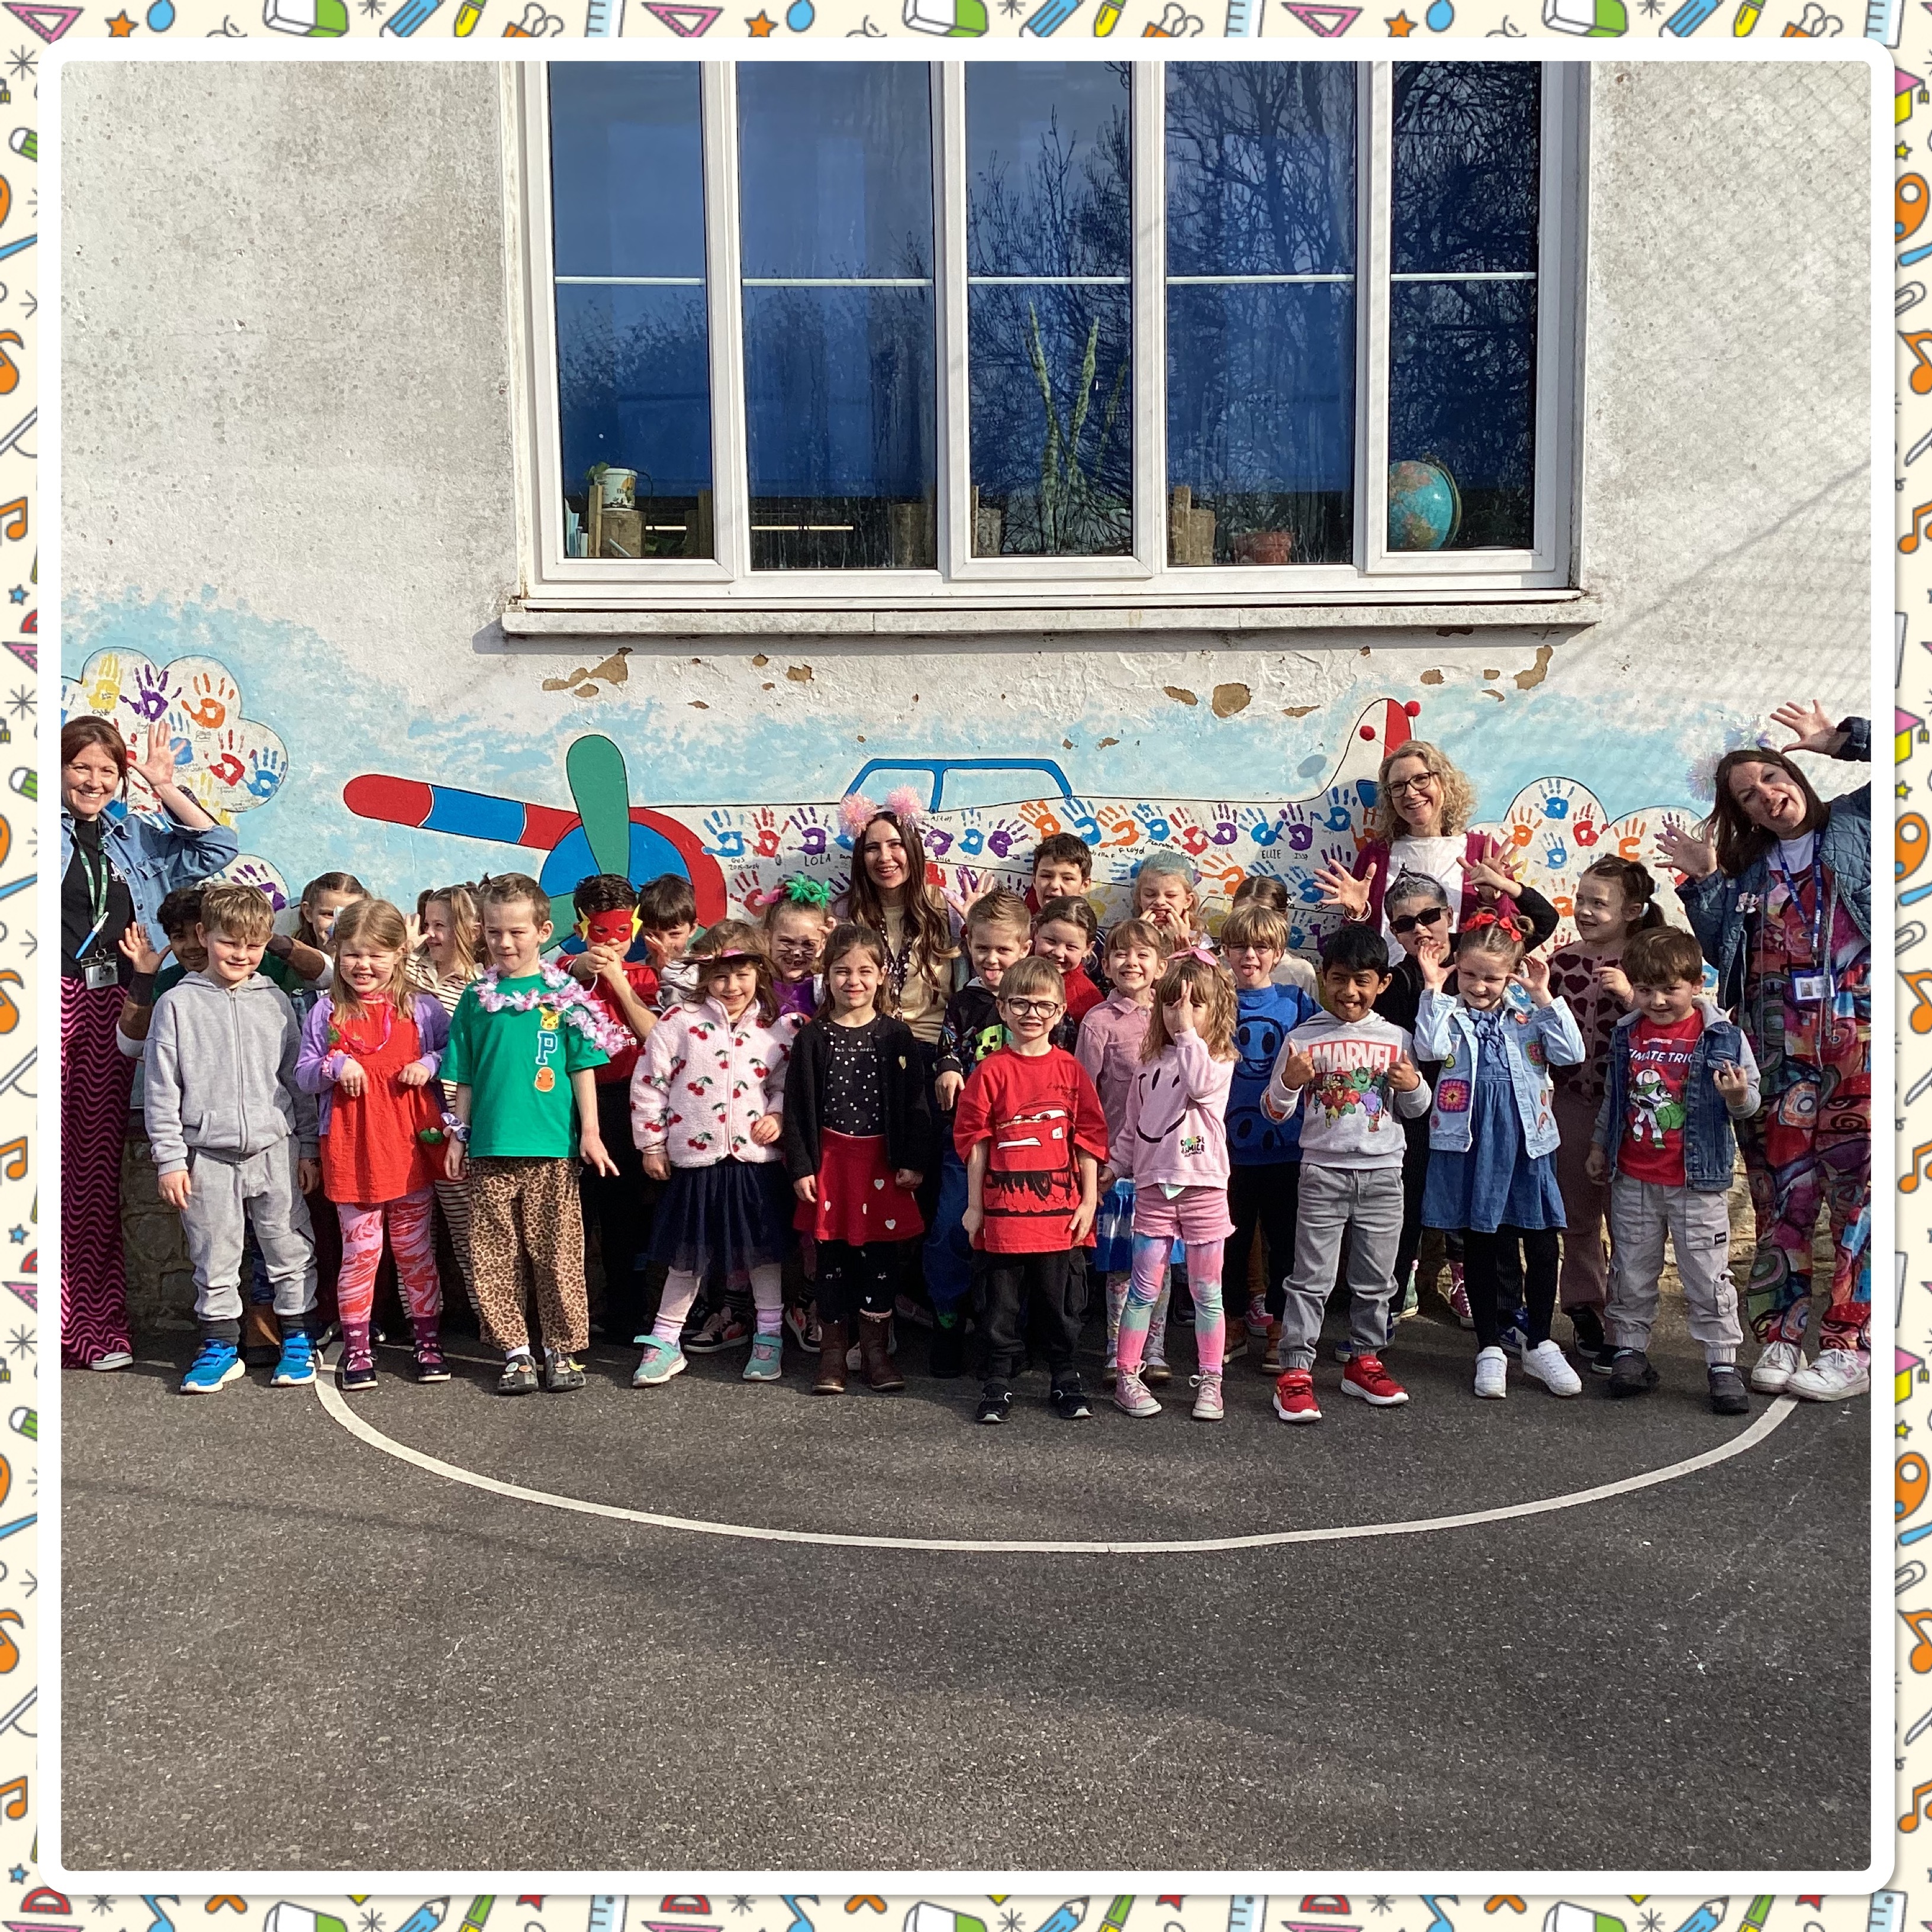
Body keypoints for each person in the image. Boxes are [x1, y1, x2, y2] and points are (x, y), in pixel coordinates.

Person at [1660, 700, 1872, 1402]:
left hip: (1860, 1045)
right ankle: (1780, 1333)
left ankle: (1849, 1346)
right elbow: (1721, 950)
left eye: (1771, 779)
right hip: (1777, 1052)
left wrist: (1842, 740)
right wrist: (1704, 881)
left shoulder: (1858, 822)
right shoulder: (1749, 871)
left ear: (1795, 775)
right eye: (1748, 796)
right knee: (1783, 1195)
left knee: (1860, 1202)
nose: (1767, 796)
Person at [60, 715, 238, 1371]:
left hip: (112, 1001)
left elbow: (217, 848)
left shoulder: (133, 835)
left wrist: (163, 787)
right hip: (37, 998)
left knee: (91, 1167)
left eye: (107, 771)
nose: (94, 781)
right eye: (81, 767)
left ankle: (89, 1326)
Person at [440, 872, 622, 1396]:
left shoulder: (563, 995)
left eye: (517, 932)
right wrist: (458, 1134)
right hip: (491, 1148)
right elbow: (464, 1074)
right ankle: (516, 1352)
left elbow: (582, 1067)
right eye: (494, 931)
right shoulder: (476, 998)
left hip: (551, 1150)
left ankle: (560, 1350)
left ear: (543, 931)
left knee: (558, 1256)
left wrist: (591, 1132)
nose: (505, 942)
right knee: (494, 1255)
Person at [143, 883, 318, 1395]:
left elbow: (296, 1081)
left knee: (289, 1246)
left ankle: (297, 1339)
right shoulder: (177, 1004)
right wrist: (170, 1160)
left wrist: (308, 1147)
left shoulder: (275, 1001)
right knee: (214, 1253)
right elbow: (161, 1089)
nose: (241, 954)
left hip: (275, 1149)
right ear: (204, 935)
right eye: (229, 942)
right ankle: (220, 1346)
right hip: (206, 1156)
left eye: (254, 945)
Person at [1586, 925, 1760, 1415]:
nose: (1657, 1001)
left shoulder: (1722, 1036)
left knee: (1706, 1275)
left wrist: (1737, 1097)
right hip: (1634, 1178)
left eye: (1670, 989)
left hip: (1695, 1183)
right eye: (1645, 990)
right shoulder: (1628, 1033)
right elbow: (1616, 1099)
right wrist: (1599, 1145)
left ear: (1698, 983)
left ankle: (1722, 1363)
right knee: (1631, 1271)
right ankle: (1629, 1352)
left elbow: (1749, 1103)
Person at [1415, 910, 1587, 1401]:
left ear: (1512, 974)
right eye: (1469, 974)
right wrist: (1433, 989)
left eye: (1491, 978)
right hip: (1471, 1143)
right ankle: (1489, 1346)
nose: (1479, 986)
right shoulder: (1448, 1013)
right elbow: (1428, 1048)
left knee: (1541, 1241)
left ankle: (1540, 1341)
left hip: (1527, 1143)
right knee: (1481, 1243)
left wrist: (1544, 997)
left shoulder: (1529, 1015)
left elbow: (1571, 1054)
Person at [1264, 922, 1431, 1422]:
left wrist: (1413, 1085)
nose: (1350, 992)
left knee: (1377, 1280)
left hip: (1384, 1175)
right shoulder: (1302, 1038)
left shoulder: (1398, 1038)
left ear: (1382, 983)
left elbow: (1418, 1111)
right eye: (1339, 979)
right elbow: (1274, 1111)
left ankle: (1365, 1360)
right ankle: (1295, 1371)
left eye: (1362, 980)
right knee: (1310, 1278)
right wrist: (1289, 1084)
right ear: (1323, 977)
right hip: (1322, 1172)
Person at [630, 920, 803, 1389]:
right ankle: (665, 1341)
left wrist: (777, 1115)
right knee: (687, 1256)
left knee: (763, 1253)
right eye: (720, 976)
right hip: (696, 1161)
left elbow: (785, 1083)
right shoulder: (678, 1022)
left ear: (758, 972)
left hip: (754, 1162)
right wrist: (652, 1143)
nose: (731, 986)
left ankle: (769, 1335)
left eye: (742, 974)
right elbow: (649, 1083)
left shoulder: (776, 1027)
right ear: (704, 976)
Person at [295, 897, 452, 1390]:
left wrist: (429, 1063)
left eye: (375, 955)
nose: (363, 965)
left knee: (415, 1253)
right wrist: (334, 1066)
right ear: (337, 953)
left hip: (409, 1151)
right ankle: (358, 1346)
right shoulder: (325, 1012)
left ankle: (428, 1340)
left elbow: (453, 1053)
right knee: (361, 1255)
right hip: (352, 1153)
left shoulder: (422, 1008)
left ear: (400, 953)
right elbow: (303, 1075)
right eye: (352, 954)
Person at [955, 955, 1108, 1425]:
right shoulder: (990, 1071)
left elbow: (1088, 1138)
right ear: (1002, 1008)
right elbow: (976, 1140)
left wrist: (1088, 1201)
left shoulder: (1071, 1070)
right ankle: (998, 1379)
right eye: (1020, 1004)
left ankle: (1065, 1375)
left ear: (1060, 1013)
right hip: (1003, 1213)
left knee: (1061, 1303)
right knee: (999, 1303)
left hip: (1060, 1213)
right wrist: (975, 1206)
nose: (1032, 1014)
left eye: (1044, 1006)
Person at [782, 923, 931, 1395]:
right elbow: (796, 1108)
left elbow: (916, 1103)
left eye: (865, 971)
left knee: (880, 1260)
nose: (854, 981)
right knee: (830, 1261)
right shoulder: (813, 1037)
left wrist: (913, 1160)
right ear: (826, 976)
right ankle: (832, 1356)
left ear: (882, 975)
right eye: (842, 971)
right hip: (831, 1164)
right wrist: (802, 1167)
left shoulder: (897, 1036)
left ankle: (875, 1354)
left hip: (880, 1166)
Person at [1109, 953, 1239, 1422]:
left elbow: (1200, 1087)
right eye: (1171, 1004)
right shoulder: (1147, 1064)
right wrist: (1114, 1166)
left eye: (1194, 1004)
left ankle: (1211, 1380)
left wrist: (1187, 1034)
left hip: (1204, 1189)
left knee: (1207, 1292)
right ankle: (1127, 1375)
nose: (1180, 1013)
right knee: (1143, 1288)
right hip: (1153, 1189)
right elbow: (1133, 1127)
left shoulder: (1218, 1059)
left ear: (1215, 1009)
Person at [1546, 856, 1660, 1369]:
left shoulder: (1648, 961)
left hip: (1635, 1110)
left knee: (1631, 1222)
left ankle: (1626, 1324)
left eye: (1600, 903)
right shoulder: (1562, 962)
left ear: (1632, 911)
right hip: (1572, 1102)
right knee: (1577, 1218)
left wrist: (1632, 996)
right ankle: (1585, 1309)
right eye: (1581, 899)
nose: (1586, 911)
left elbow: (1677, 1017)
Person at [923, 888, 1033, 1374]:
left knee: (1016, 1239)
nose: (991, 959)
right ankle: (947, 1318)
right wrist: (949, 1066)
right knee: (952, 1228)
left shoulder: (1038, 1001)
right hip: (966, 1143)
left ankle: (1007, 1334)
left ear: (1024, 948)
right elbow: (949, 1045)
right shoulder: (964, 1003)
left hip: (1023, 1148)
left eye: (1003, 949)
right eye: (982, 947)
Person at [562, 873, 662, 1348]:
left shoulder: (645, 977)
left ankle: (626, 1311)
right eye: (601, 931)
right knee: (574, 1215)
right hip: (569, 1103)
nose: (612, 942)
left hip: (627, 1101)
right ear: (582, 928)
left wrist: (620, 984)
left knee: (624, 1214)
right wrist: (575, 969)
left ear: (636, 927)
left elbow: (657, 1037)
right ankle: (570, 1317)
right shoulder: (560, 973)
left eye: (622, 931)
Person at [1219, 901, 1319, 1371]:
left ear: (1278, 953)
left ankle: (1280, 1325)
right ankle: (1233, 1320)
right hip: (1227, 1149)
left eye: (1261, 947)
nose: (1250, 956)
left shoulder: (1297, 1002)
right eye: (1240, 946)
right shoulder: (1216, 999)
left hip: (1287, 1146)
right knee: (1230, 1242)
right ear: (1226, 950)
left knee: (1285, 1242)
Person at [1316, 738, 1531, 952]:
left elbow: (1508, 942)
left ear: (1444, 782)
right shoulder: (1376, 855)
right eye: (1398, 786)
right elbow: (1358, 943)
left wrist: (1493, 898)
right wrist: (1358, 914)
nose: (1410, 793)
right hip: (1393, 973)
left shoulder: (1482, 852)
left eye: (1421, 779)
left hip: (1458, 974)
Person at [1077, 916, 1173, 1385]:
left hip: (1165, 1164)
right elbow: (1084, 1098)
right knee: (1120, 1264)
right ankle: (1119, 1352)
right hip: (1116, 1167)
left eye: (1142, 954)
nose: (1131, 962)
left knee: (1160, 1261)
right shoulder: (1098, 1022)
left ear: (1161, 966)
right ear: (1106, 963)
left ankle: (1155, 1349)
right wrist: (1092, 1161)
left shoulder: (1174, 1017)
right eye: (1120, 953)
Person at [411, 883, 486, 1318]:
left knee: (467, 1228)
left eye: (441, 925)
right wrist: (405, 952)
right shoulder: (412, 972)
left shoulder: (481, 986)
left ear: (471, 930)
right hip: (410, 1117)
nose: (431, 935)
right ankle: (422, 1323)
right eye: (427, 924)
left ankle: (487, 1321)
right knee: (414, 1231)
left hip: (458, 1119)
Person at [1229, 874, 1318, 996]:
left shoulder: (1300, 972)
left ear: (1283, 918)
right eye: (1243, 915)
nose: (1251, 923)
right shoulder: (1218, 968)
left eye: (1263, 917)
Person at [764, 876, 836, 1020]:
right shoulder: (757, 984)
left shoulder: (822, 989)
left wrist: (836, 949)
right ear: (768, 938)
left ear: (822, 946)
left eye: (808, 944)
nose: (797, 952)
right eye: (787, 941)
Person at [1032, 895, 1103, 1026]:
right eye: (1050, 941)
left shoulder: (1089, 1001)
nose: (1058, 953)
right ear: (1036, 932)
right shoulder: (1013, 975)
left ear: (1088, 948)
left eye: (1070, 947)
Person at [636, 874, 700, 1010]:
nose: (664, 944)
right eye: (653, 935)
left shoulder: (702, 974)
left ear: (693, 928)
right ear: (641, 930)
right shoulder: (634, 973)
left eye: (674, 934)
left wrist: (668, 973)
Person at [1130, 850, 1209, 953]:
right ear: (1139, 899)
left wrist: (1182, 946)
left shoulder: (1201, 942)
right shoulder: (1124, 937)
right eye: (1150, 895)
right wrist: (1139, 939)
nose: (1160, 902)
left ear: (1187, 901)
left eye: (1171, 896)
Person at [1026, 832, 1094, 915]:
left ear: (1084, 885)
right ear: (1034, 881)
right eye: (1046, 876)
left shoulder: (1086, 922)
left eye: (1067, 878)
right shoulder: (1021, 922)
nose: (1054, 885)